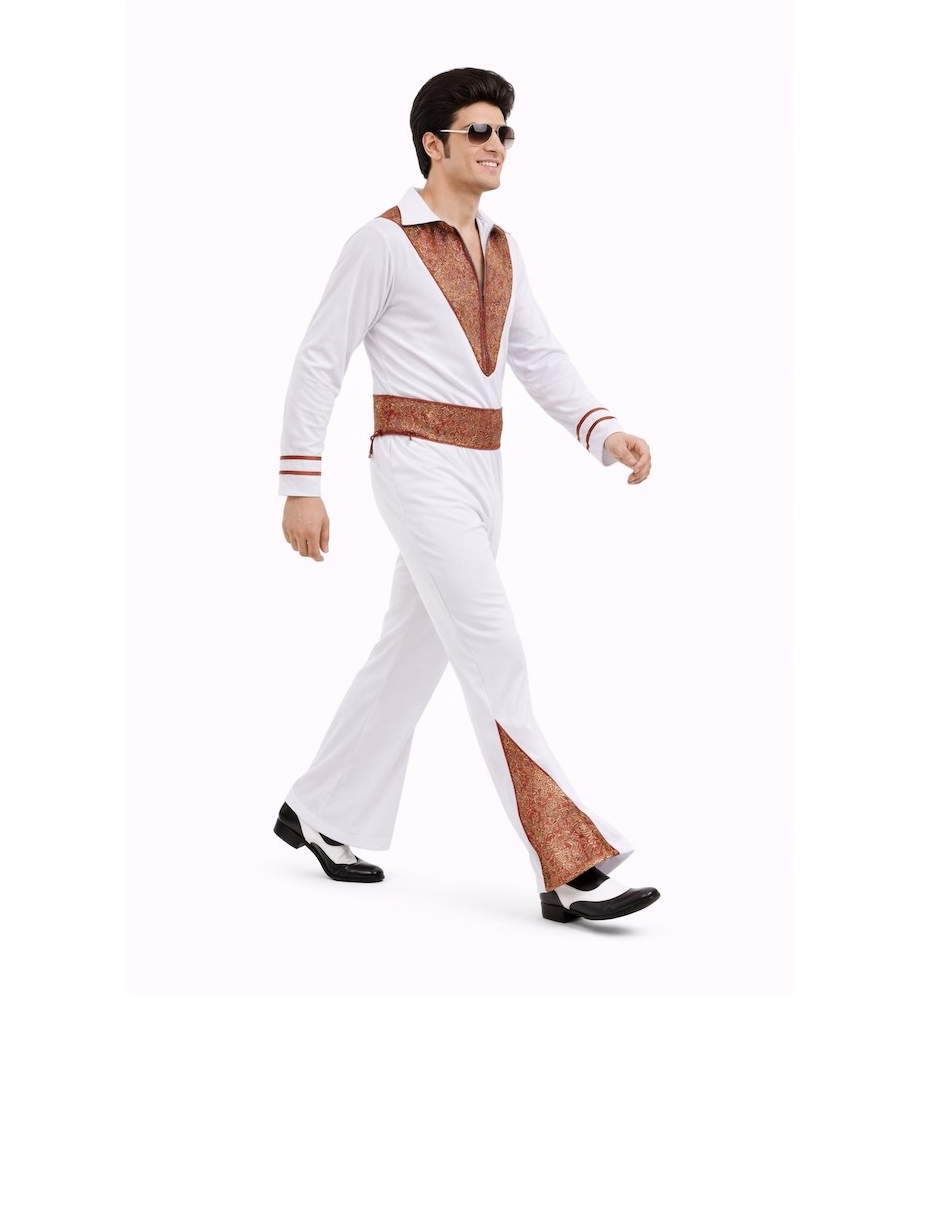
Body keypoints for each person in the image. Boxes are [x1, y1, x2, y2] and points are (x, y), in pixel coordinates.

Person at [273, 67, 661, 924]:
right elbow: (320, 358)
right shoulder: (380, 243)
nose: (496, 146)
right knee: (496, 651)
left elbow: (539, 355)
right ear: (433, 144)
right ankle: (568, 863)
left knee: (411, 652)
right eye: (478, 131)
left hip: (485, 472)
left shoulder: (503, 244)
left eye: (504, 132)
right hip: (414, 465)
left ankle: (320, 809)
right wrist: (302, 484)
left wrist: (603, 431)